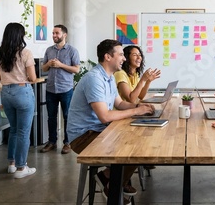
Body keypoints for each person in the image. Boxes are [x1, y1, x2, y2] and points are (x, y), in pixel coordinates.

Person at [67, 39, 155, 204]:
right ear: (108, 57)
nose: (124, 58)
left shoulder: (108, 77)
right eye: (121, 54)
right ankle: (112, 185)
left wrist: (139, 106)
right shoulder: (94, 79)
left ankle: (110, 179)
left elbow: (120, 104)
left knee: (141, 143)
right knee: (136, 149)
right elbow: (105, 116)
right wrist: (136, 110)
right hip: (84, 136)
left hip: (100, 130)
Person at [0, 22, 37, 179]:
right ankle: (21, 168)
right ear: (20, 36)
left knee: (13, 128)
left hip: (6, 93)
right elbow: (32, 77)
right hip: (22, 92)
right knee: (23, 132)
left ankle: (11, 164)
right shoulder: (26, 53)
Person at [40, 25, 80, 154]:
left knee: (67, 116)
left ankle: (68, 143)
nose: (54, 35)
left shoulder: (72, 51)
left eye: (57, 33)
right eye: (53, 33)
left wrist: (60, 65)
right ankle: (51, 142)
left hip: (66, 89)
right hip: (51, 88)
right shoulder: (48, 50)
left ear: (64, 35)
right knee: (51, 117)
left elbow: (77, 69)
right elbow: (43, 69)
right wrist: (49, 64)